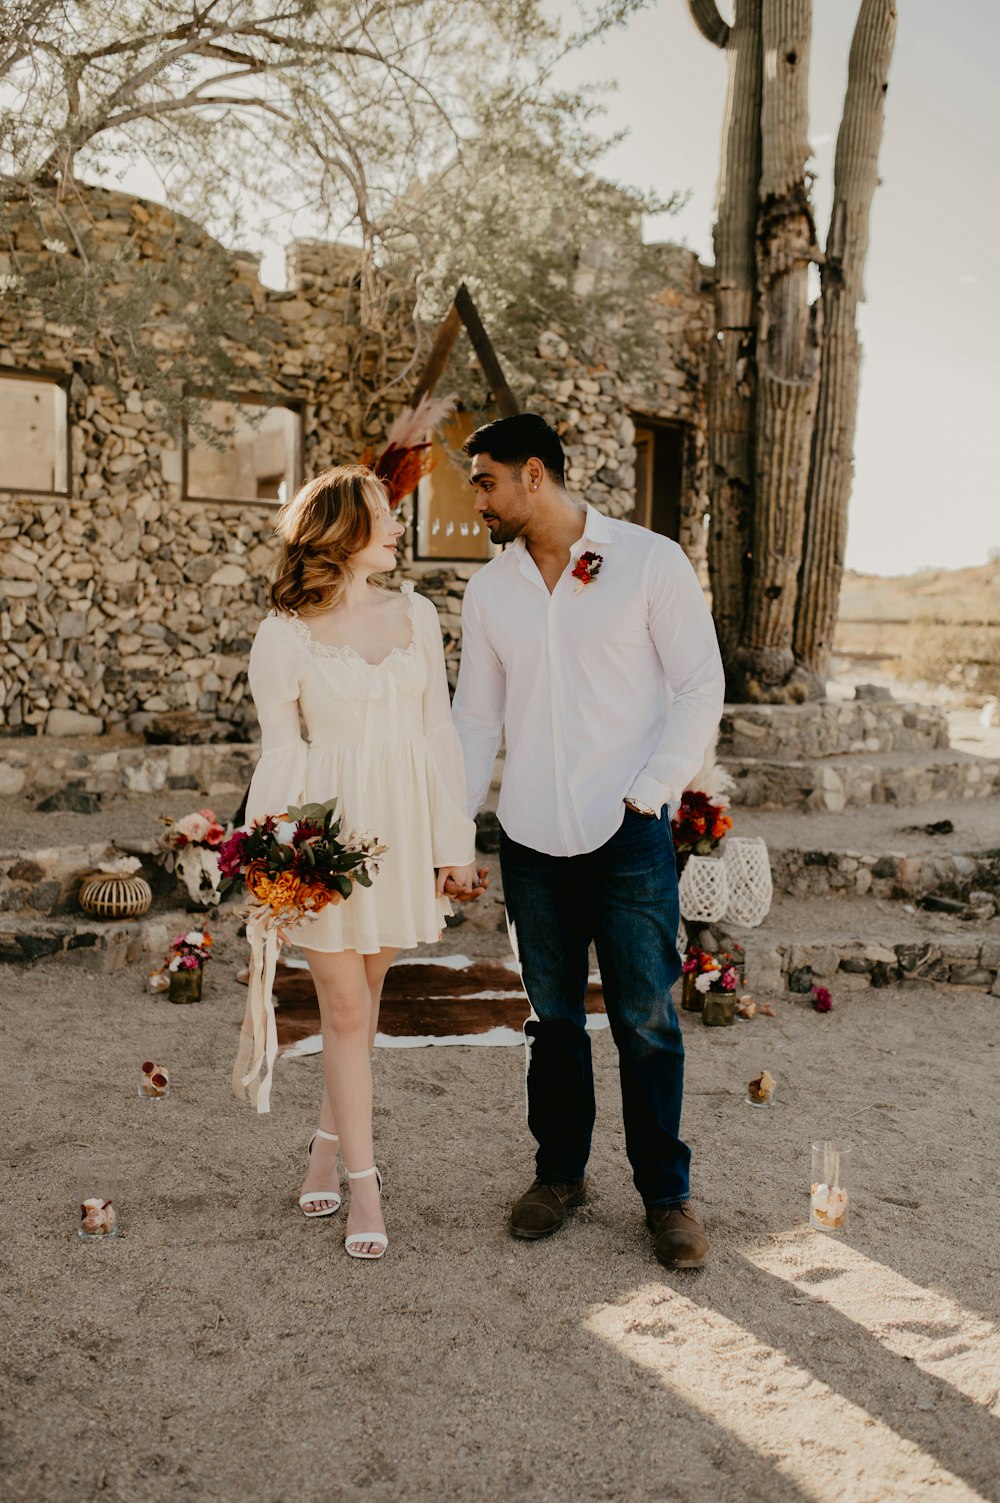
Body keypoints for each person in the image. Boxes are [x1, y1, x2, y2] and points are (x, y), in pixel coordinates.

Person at [451, 414, 725, 1270]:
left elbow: (698, 686)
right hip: (530, 836)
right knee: (552, 1019)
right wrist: (455, 831)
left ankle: (666, 1196)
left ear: (535, 474)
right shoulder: (489, 592)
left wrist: (652, 789)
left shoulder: (648, 560)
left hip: (630, 831)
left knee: (647, 1017)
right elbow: (475, 721)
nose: (477, 503)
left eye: (486, 482)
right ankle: (559, 1175)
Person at [243, 465, 486, 1260]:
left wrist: (455, 844)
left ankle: (322, 1145)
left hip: (404, 833)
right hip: (327, 844)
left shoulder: (417, 613)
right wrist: (269, 856)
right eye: (381, 514)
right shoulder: (284, 633)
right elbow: (282, 753)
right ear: (341, 530)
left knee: (366, 1003)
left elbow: (440, 734)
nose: (396, 525)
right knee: (346, 1013)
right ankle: (366, 1186)